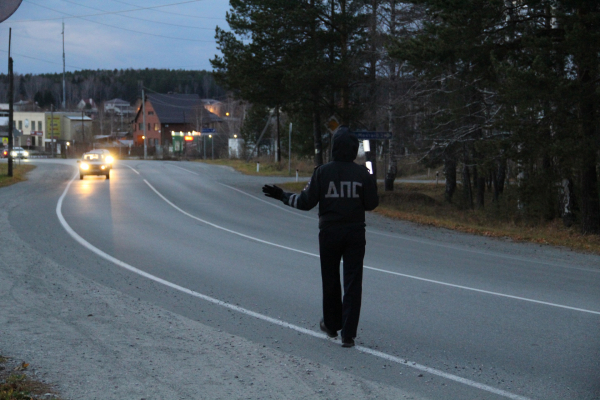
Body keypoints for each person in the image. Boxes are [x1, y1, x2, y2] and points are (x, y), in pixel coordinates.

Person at [262, 126, 379, 348]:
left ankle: (332, 325)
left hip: (329, 233)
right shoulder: (362, 174)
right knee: (353, 282)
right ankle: (349, 334)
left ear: (334, 147)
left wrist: (282, 196)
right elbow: (372, 204)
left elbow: (306, 202)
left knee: (331, 279)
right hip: (355, 232)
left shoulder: (323, 172)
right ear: (354, 150)